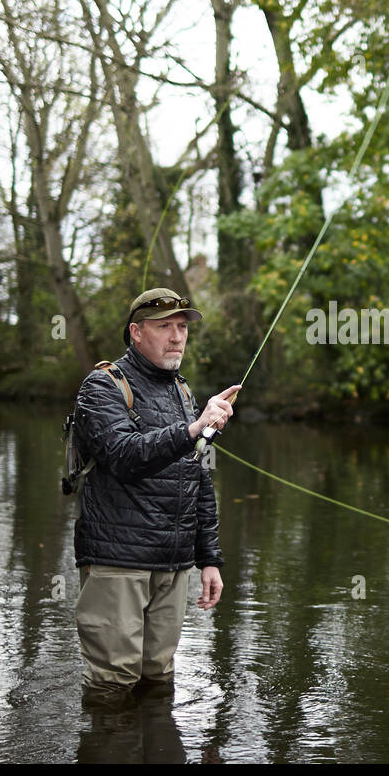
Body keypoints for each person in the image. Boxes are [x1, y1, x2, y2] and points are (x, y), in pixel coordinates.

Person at [71, 287, 241, 708]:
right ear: (136, 332)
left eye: (182, 327)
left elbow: (198, 478)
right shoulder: (102, 386)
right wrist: (193, 428)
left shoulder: (181, 392)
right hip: (118, 563)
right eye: (164, 326)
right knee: (112, 686)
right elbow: (125, 456)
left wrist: (210, 559)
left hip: (173, 564)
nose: (177, 336)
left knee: (158, 681)